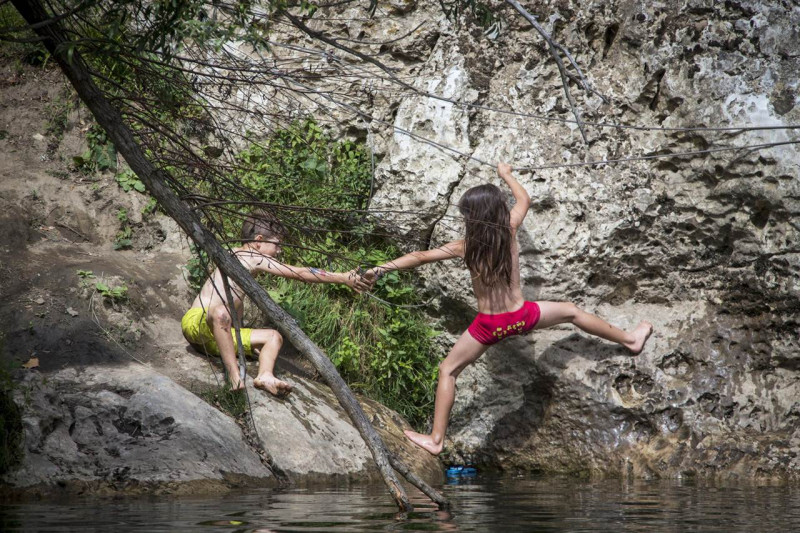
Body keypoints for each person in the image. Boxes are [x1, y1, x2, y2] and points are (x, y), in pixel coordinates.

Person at [365, 163, 653, 455]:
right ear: (497, 212)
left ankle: (436, 439)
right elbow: (524, 199)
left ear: (473, 218)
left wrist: (379, 269)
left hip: (487, 327)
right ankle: (630, 339)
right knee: (572, 311)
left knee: (448, 371)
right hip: (520, 318)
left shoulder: (466, 246)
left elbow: (420, 256)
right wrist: (506, 174)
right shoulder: (510, 229)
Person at [182, 209, 372, 395]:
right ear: (258, 241)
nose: (279, 251)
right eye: (277, 244)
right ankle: (233, 376)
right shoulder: (250, 256)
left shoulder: (241, 257)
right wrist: (342, 277)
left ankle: (265, 375)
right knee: (221, 313)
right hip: (197, 323)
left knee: (274, 337)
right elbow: (301, 273)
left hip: (218, 337)